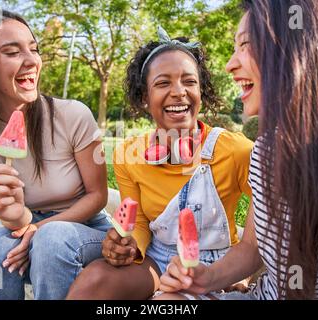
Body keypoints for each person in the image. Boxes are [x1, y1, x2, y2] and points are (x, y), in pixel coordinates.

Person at [156, 0, 318, 300]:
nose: (230, 64)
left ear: (297, 48)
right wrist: (206, 278)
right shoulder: (266, 149)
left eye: (245, 45)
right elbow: (252, 248)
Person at [66, 27, 254, 300]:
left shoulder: (236, 150)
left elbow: (271, 224)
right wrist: (129, 245)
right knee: (95, 279)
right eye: (163, 83)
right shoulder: (127, 155)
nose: (179, 92)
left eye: (189, 82)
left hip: (216, 266)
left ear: (201, 91)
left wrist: (241, 273)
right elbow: (139, 222)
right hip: (157, 257)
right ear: (145, 97)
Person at [0, 10, 112, 299]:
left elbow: (98, 196)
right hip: (29, 231)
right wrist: (18, 216)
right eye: (12, 52)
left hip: (87, 230)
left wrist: (38, 228)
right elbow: (16, 221)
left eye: (34, 49)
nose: (32, 61)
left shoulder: (73, 115)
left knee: (51, 240)